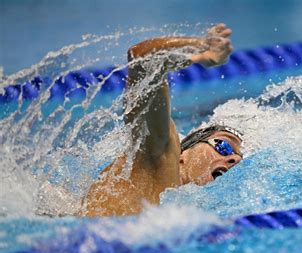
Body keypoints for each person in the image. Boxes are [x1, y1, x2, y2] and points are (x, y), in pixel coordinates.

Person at [83, 23, 243, 216]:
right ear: (183, 154)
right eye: (223, 146)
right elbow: (141, 58)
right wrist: (199, 48)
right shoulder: (161, 152)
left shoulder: (178, 205)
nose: (234, 159)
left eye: (238, 159)